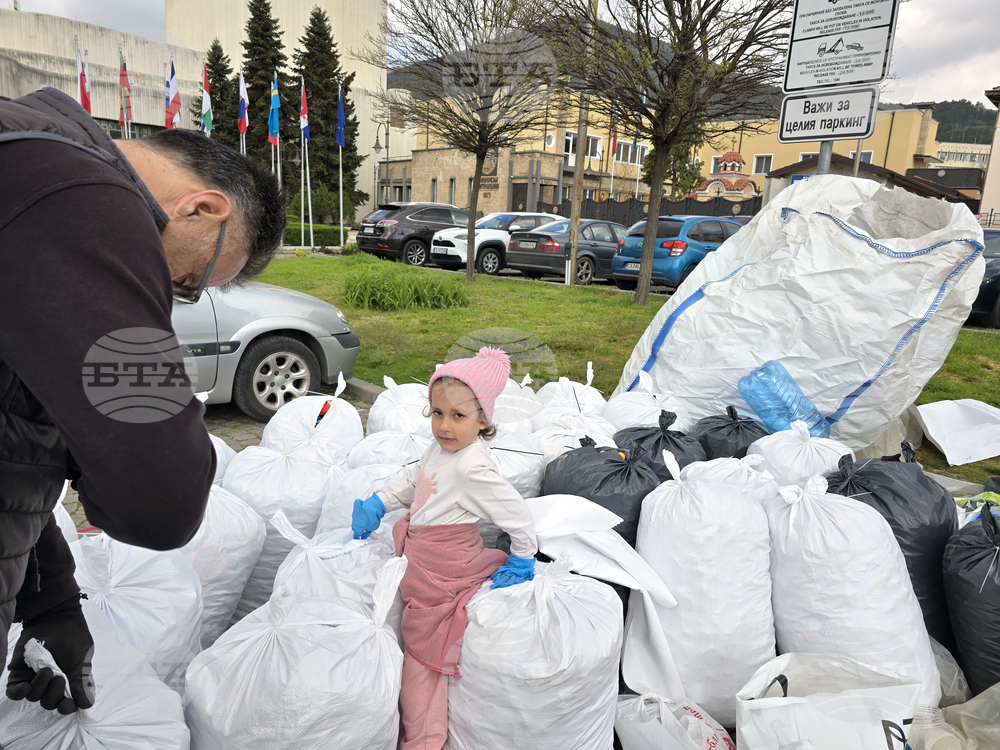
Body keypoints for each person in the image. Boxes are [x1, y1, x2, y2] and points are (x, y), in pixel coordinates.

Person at [0, 87, 284, 717]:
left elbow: (12, 429)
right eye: (185, 284)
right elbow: (161, 498)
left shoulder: (28, 160)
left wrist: (49, 600)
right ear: (204, 208)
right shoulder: (80, 195)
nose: (172, 298)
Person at [351, 347, 538, 750]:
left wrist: (524, 556)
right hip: (422, 560)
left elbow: (516, 514)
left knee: (421, 654)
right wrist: (380, 502)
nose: (445, 426)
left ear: (483, 419)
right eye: (438, 413)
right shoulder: (440, 450)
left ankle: (424, 739)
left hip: (444, 572)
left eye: (458, 416)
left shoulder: (473, 466)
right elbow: (412, 478)